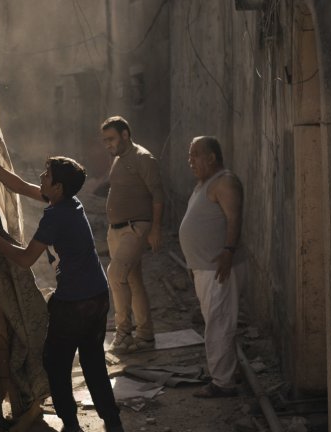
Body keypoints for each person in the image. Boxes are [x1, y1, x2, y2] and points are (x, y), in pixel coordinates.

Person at [0, 154, 133, 432]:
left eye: (46, 175)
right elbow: (19, 185)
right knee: (94, 364)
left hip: (73, 302)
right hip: (97, 296)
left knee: (56, 365)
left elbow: (23, 259)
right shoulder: (70, 203)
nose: (41, 178)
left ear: (57, 187)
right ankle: (116, 431)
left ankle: (72, 430)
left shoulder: (55, 215)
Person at [178, 136, 245, 398]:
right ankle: (228, 371)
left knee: (219, 323)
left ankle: (222, 383)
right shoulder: (204, 184)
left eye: (195, 155)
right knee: (216, 320)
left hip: (218, 267)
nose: (190, 160)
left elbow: (234, 218)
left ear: (211, 158)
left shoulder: (225, 182)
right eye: (190, 155)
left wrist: (228, 252)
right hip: (204, 267)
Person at [100, 116, 165, 353]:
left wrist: (155, 229)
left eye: (111, 139)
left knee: (115, 275)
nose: (107, 144)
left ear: (125, 135)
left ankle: (124, 334)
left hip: (136, 228)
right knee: (133, 280)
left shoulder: (142, 158)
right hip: (116, 230)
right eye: (105, 140)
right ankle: (145, 336)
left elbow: (158, 194)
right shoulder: (119, 159)